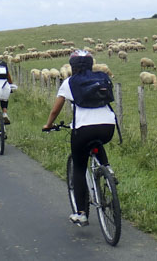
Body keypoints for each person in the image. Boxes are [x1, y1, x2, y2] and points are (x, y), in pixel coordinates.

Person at [42, 49, 116, 226]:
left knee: (79, 166)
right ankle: (107, 169)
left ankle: (81, 213)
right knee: (97, 141)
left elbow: (55, 109)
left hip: (83, 130)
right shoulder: (102, 77)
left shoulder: (69, 82)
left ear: (72, 66)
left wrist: (48, 124)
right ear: (91, 64)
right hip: (108, 127)